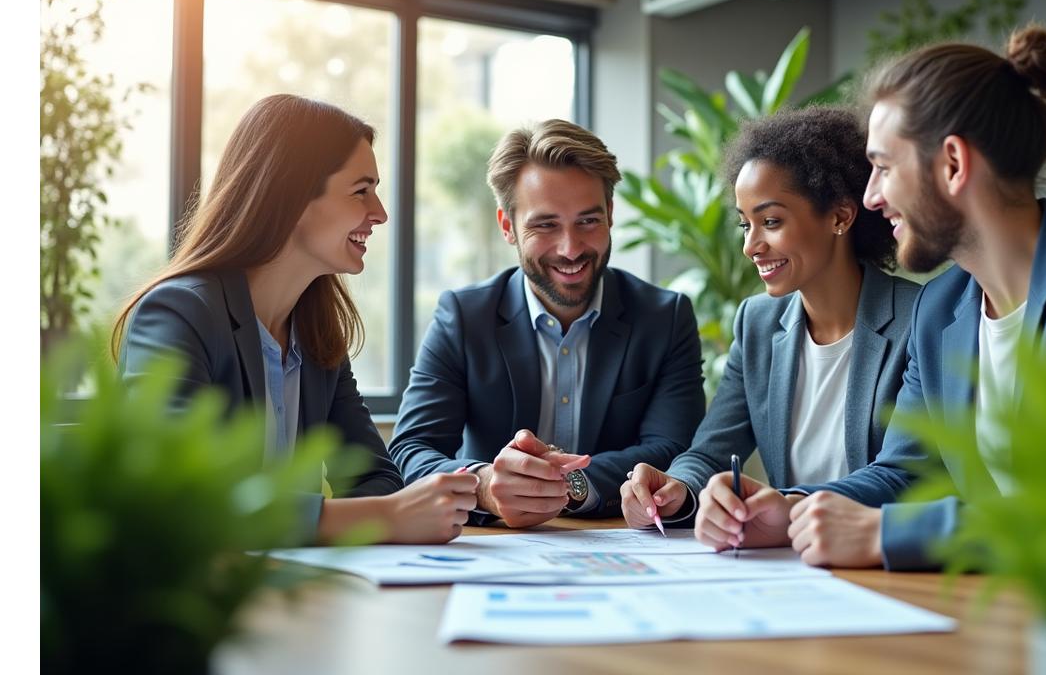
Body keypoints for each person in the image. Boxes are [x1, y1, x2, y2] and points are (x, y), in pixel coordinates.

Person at [692, 25, 1046, 569]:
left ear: (952, 163)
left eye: (883, 167)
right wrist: (793, 510)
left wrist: (887, 534)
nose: (870, 197)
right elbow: (903, 472)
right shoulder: (941, 310)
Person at [115, 94, 477, 545]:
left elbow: (376, 477)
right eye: (361, 191)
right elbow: (180, 502)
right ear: (290, 194)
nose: (380, 213)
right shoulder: (177, 315)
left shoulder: (317, 333)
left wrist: (386, 509)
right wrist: (384, 517)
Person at [619, 106, 919, 536]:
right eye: (746, 225)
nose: (751, 246)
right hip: (790, 564)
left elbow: (903, 476)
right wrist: (677, 488)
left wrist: (788, 505)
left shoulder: (917, 319)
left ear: (840, 216)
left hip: (877, 558)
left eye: (771, 222)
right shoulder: (757, 323)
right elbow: (710, 453)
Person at [390, 119, 705, 527]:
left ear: (610, 215)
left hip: (617, 540)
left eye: (588, 221)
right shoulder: (463, 317)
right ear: (508, 227)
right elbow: (412, 448)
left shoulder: (665, 317)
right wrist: (485, 484)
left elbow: (674, 447)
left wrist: (572, 484)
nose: (570, 248)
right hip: (496, 545)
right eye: (545, 225)